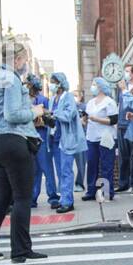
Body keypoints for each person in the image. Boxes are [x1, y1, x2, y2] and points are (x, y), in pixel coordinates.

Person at [0, 44, 47, 264]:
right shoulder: (12, 78)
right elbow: (13, 114)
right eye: (24, 59)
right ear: (17, 59)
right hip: (13, 141)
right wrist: (35, 111)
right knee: (22, 197)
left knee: (0, 198)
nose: (25, 64)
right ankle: (21, 250)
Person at [49, 72, 83, 214]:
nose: (51, 85)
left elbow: (69, 115)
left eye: (53, 82)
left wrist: (53, 113)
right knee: (60, 171)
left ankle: (68, 202)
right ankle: (63, 198)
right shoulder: (53, 99)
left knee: (66, 171)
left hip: (66, 139)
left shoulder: (68, 97)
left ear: (60, 83)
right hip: (54, 139)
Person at [81, 77, 119, 201]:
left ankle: (107, 192)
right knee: (92, 163)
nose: (92, 87)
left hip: (106, 138)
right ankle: (91, 191)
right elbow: (86, 116)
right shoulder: (91, 102)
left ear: (101, 87)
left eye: (94, 84)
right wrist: (84, 120)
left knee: (106, 166)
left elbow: (113, 120)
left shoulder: (109, 102)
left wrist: (97, 119)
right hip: (91, 137)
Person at [29, 75, 60, 209]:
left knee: (47, 168)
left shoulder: (43, 100)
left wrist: (38, 119)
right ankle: (32, 198)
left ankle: (52, 196)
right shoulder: (23, 100)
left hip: (41, 137)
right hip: (29, 138)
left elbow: (49, 119)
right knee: (33, 170)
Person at [116, 64, 133, 193]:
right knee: (123, 155)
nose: (125, 74)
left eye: (127, 71)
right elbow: (120, 104)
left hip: (132, 124)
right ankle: (123, 182)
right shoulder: (122, 88)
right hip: (121, 124)